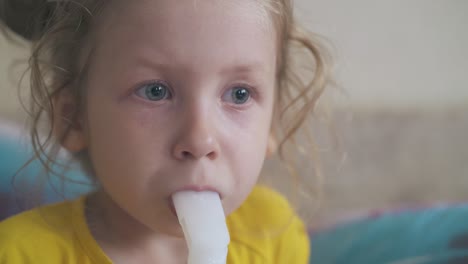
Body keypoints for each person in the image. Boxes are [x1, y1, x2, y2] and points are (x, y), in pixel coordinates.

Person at [0, 0, 331, 263]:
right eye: (155, 91)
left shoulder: (272, 233)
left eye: (239, 94)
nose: (200, 141)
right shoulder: (21, 255)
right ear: (75, 118)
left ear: (272, 121)